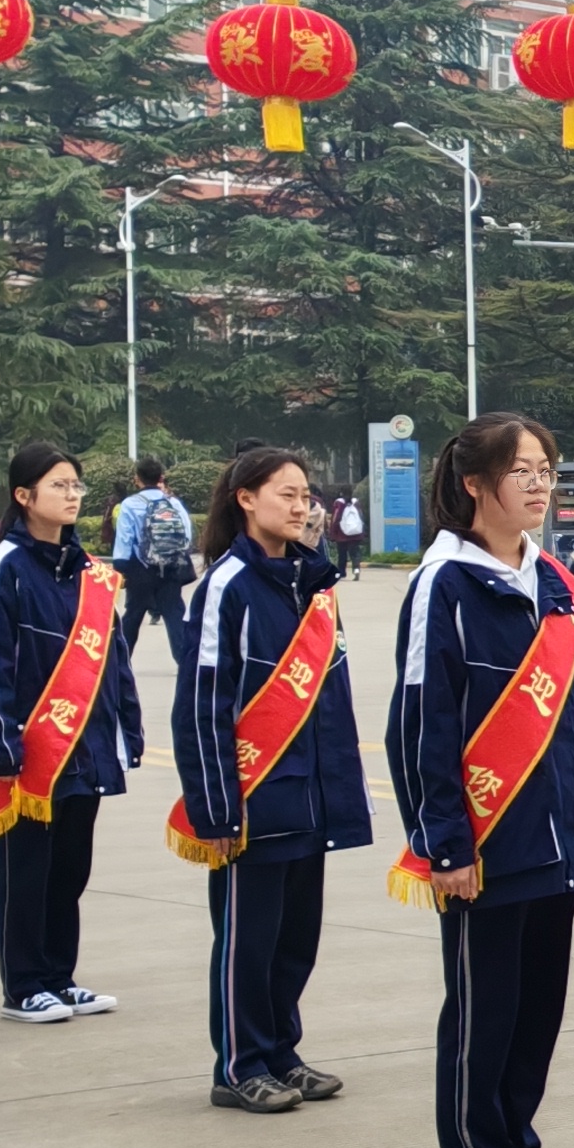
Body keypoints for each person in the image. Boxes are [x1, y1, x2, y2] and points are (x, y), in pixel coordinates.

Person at [391, 412, 574, 1148]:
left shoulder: (556, 580)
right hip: (483, 844)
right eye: (522, 469)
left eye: (547, 468)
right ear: (475, 484)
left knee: (536, 1009)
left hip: (558, 833)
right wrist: (443, 841)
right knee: (483, 1013)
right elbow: (422, 723)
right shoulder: (442, 587)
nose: (539, 482)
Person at [173, 444, 374, 1111]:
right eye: (284, 493)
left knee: (295, 937)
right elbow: (202, 707)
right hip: (252, 799)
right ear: (245, 499)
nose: (300, 505)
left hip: (309, 793)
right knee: (247, 940)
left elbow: (331, 700)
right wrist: (217, 811)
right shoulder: (226, 588)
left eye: (304, 493)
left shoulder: (314, 587)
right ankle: (238, 1065)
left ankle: (282, 1052)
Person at [0, 441, 143, 1022]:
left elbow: (114, 657)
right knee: (27, 871)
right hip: (27, 750)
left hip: (85, 749)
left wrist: (127, 729)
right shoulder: (3, 568)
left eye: (76, 486)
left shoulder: (90, 572)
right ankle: (23, 985)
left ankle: (60, 977)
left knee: (70, 869)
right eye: (59, 486)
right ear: (24, 496)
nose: (71, 496)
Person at [112, 455, 200, 682]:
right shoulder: (174, 503)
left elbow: (125, 538)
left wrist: (120, 566)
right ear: (161, 477)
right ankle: (185, 662)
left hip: (140, 569)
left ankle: (121, 661)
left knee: (133, 615)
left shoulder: (130, 505)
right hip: (171, 568)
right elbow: (187, 535)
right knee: (174, 614)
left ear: (137, 479)